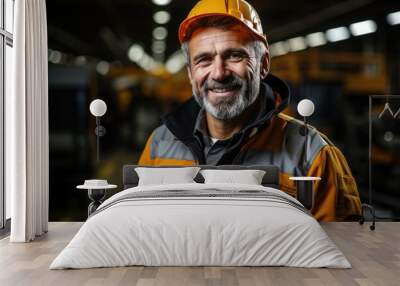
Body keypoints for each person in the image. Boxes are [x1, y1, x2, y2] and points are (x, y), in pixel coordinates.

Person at [138, 0, 362, 221]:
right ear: (190, 73)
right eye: (203, 60)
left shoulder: (313, 156)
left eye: (234, 55)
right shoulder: (159, 144)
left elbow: (341, 250)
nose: (219, 73)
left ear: (264, 64)